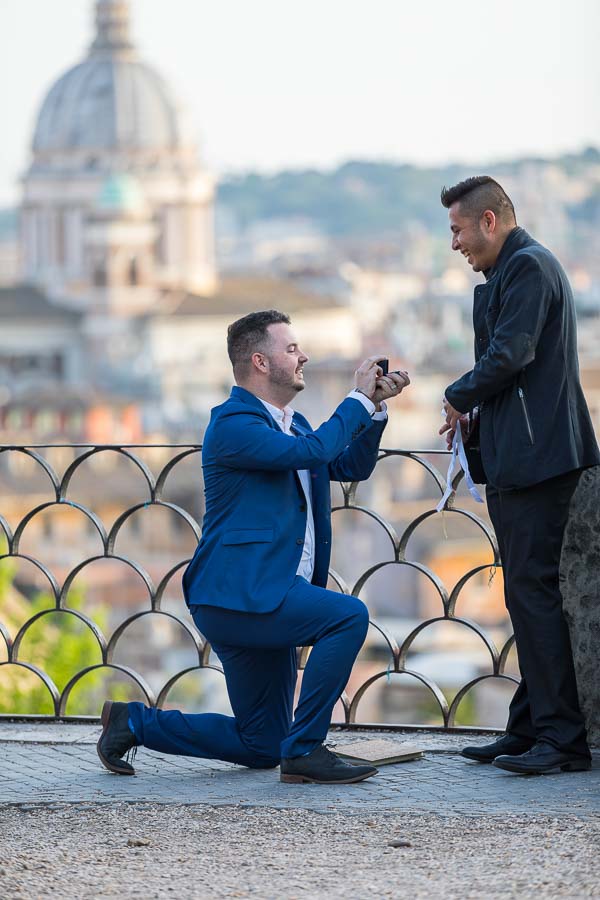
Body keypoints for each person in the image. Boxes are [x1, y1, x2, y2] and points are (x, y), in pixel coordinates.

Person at [97, 309, 409, 784]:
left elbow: (346, 465)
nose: (303, 356)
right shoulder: (233, 425)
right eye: (291, 349)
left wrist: (376, 409)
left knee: (260, 744)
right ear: (261, 363)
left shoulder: (295, 425)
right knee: (347, 617)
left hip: (262, 593)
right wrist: (356, 399)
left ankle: (132, 723)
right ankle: (306, 751)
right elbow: (314, 454)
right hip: (238, 595)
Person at [439, 176, 600, 775]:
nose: (453, 243)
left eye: (457, 230)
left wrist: (456, 395)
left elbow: (511, 355)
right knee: (528, 594)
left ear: (489, 221)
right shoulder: (512, 272)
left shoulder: (529, 268)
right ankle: (531, 727)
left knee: (532, 594)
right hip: (526, 456)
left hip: (539, 460)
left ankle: (562, 742)